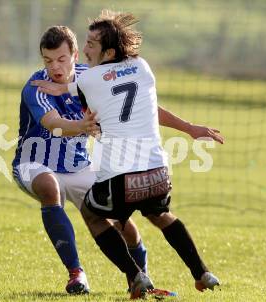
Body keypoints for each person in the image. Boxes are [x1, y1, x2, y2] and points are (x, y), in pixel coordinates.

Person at [13, 25, 223, 296]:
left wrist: (188, 127)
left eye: (62, 59)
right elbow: (54, 124)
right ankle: (76, 274)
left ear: (75, 55)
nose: (55, 66)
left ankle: (140, 278)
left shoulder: (89, 77)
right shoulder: (36, 86)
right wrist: (82, 126)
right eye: (48, 60)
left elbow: (145, 105)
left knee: (123, 224)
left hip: (80, 165)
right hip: (35, 162)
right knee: (51, 188)